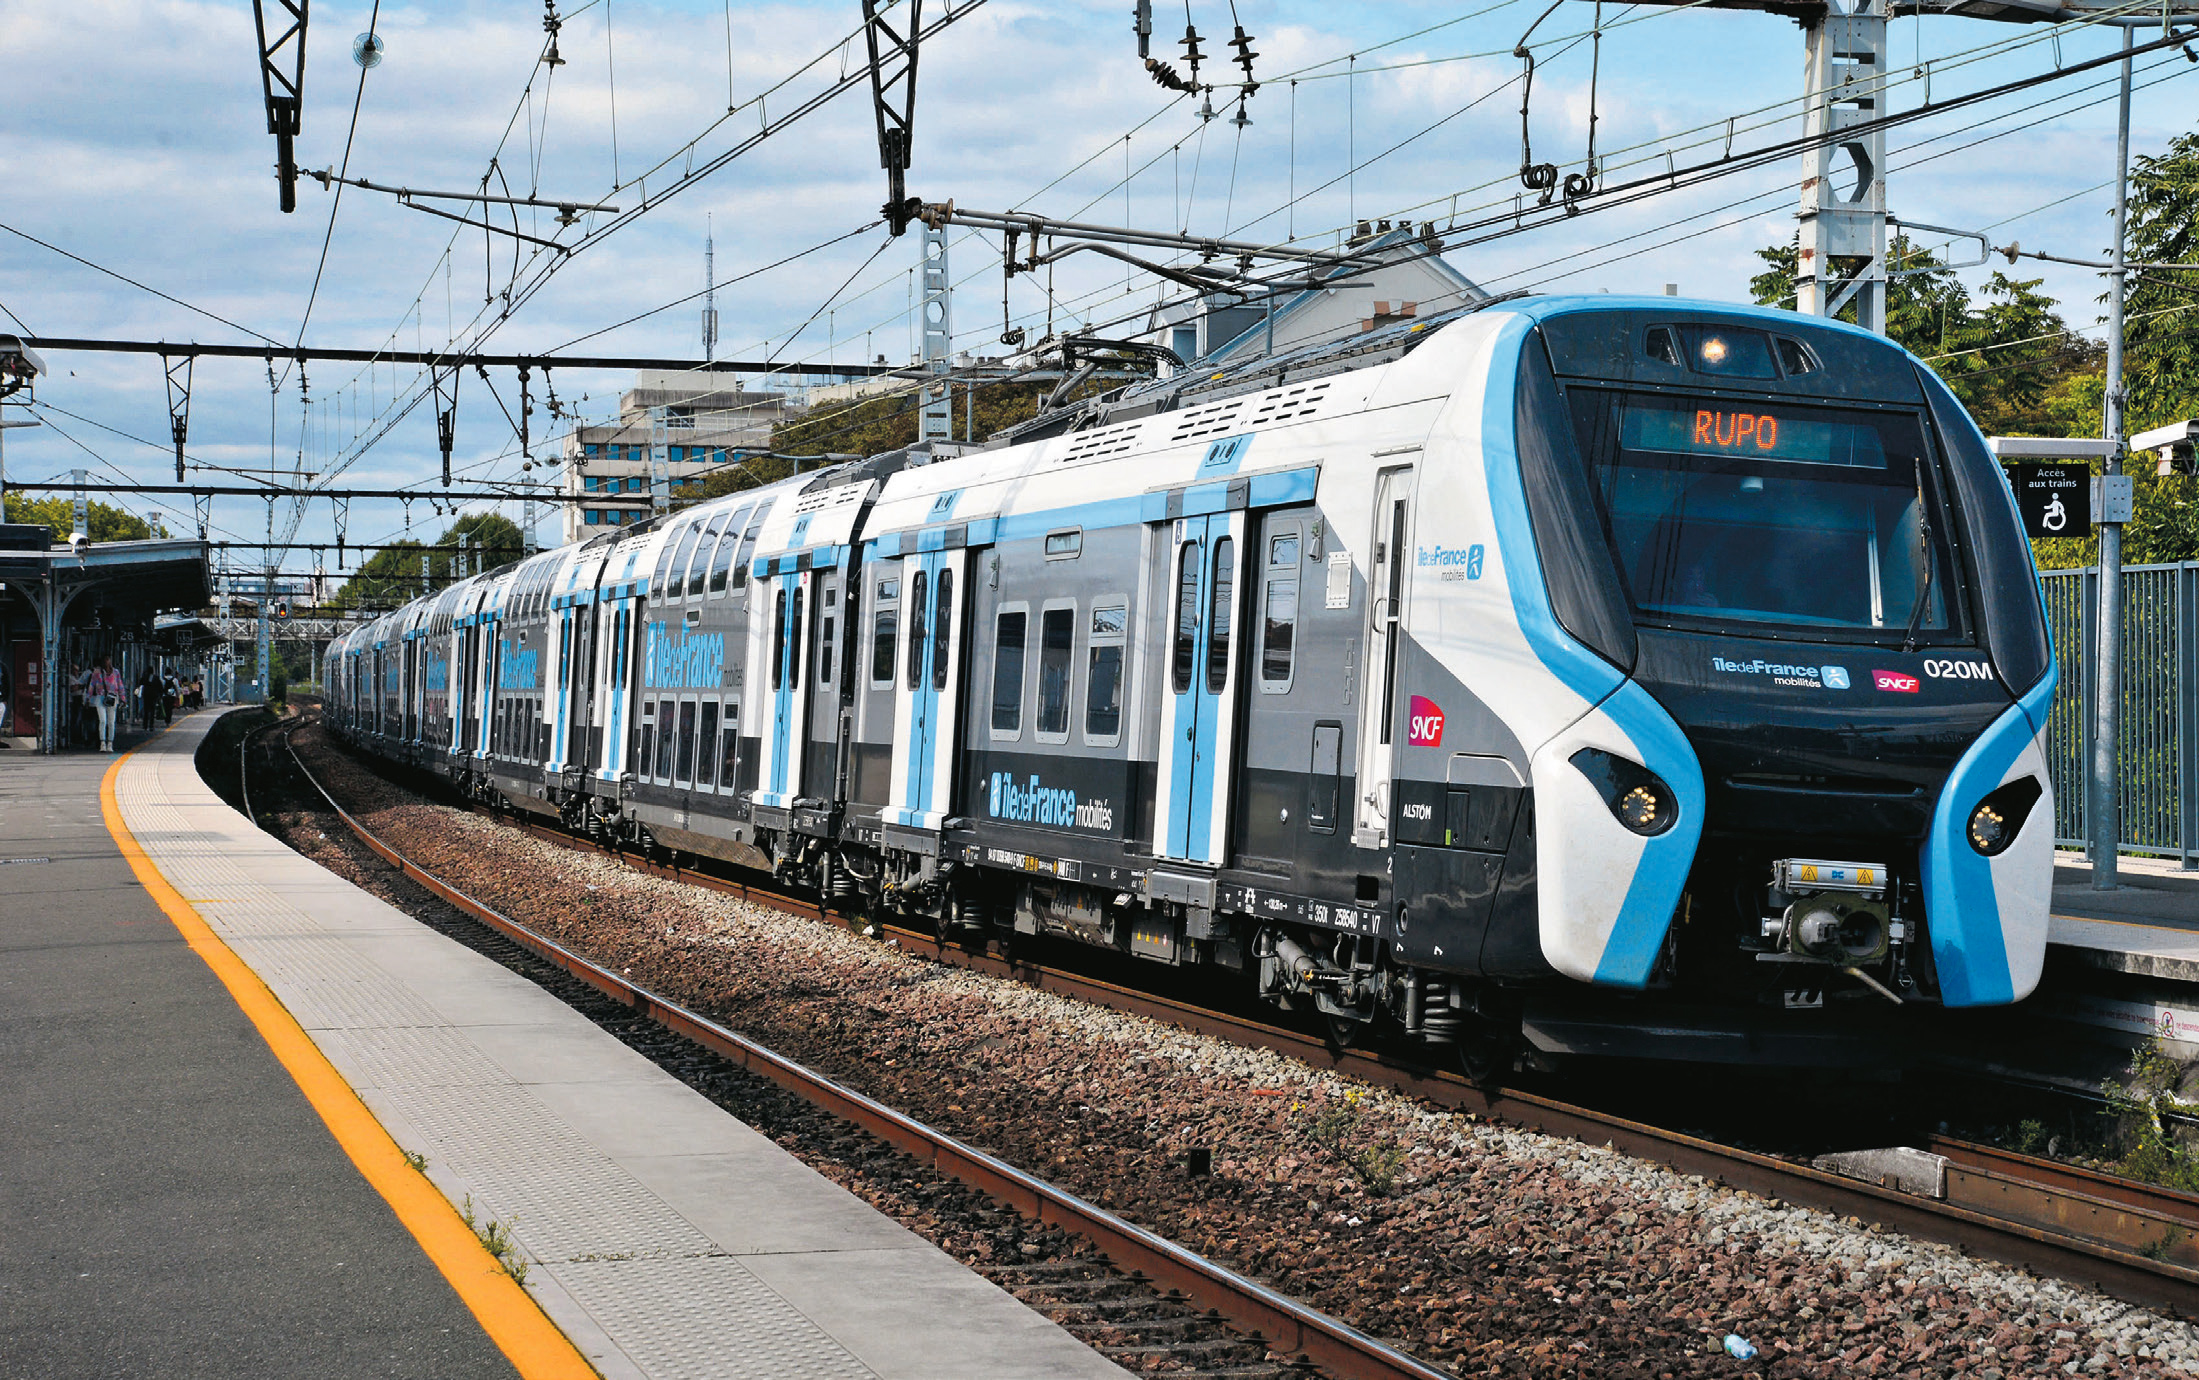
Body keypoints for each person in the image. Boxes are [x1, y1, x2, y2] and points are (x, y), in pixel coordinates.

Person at [89, 656, 124, 752]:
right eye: (105, 661)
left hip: (112, 698)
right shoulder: (97, 672)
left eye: (108, 661)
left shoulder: (116, 672)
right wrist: (89, 697)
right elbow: (92, 684)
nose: (107, 663)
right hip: (100, 697)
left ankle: (110, 743)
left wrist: (123, 698)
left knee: (111, 722)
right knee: (103, 720)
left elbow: (120, 685)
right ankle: (102, 743)